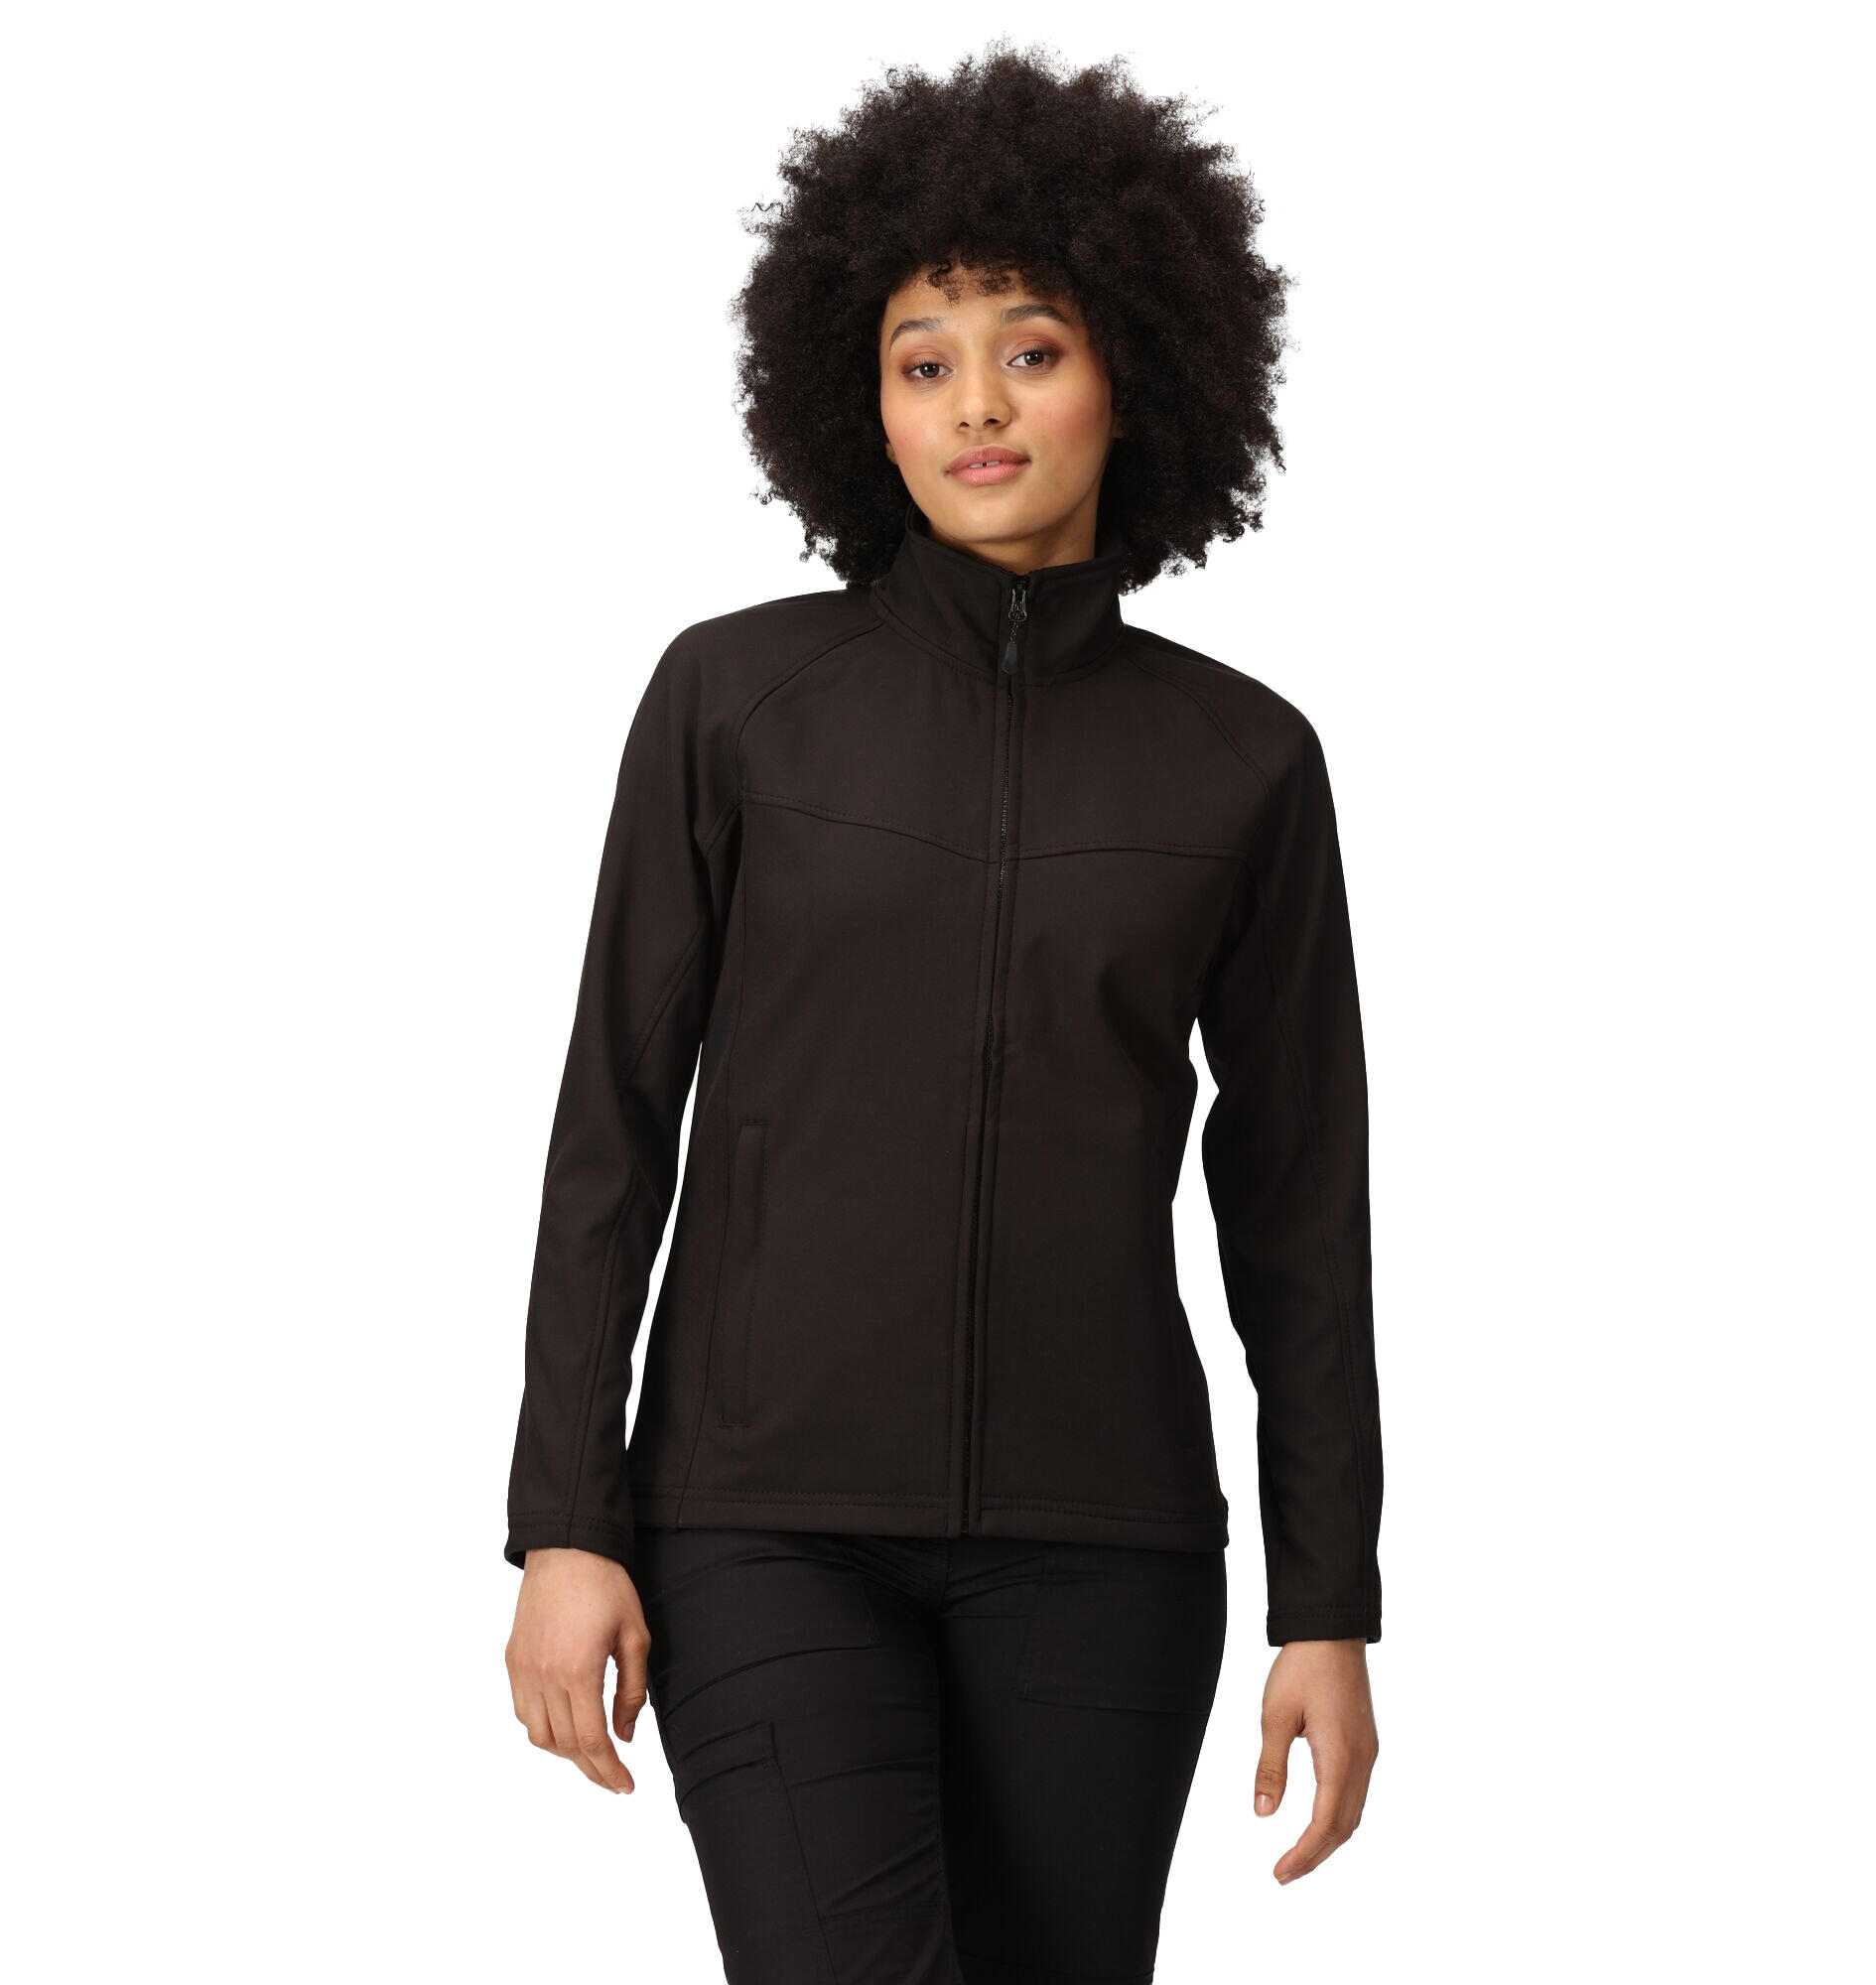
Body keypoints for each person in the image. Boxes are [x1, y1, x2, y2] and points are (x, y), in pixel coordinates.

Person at [503, 41, 1383, 1983]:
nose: (975, 403)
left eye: (1030, 350)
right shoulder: (734, 702)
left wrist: (1327, 1601)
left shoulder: (1244, 761)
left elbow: (1300, 1210)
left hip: (1105, 1544)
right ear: (862, 402)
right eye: (923, 361)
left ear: (1136, 371)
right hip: (762, 1524)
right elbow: (612, 1125)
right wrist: (566, 1516)